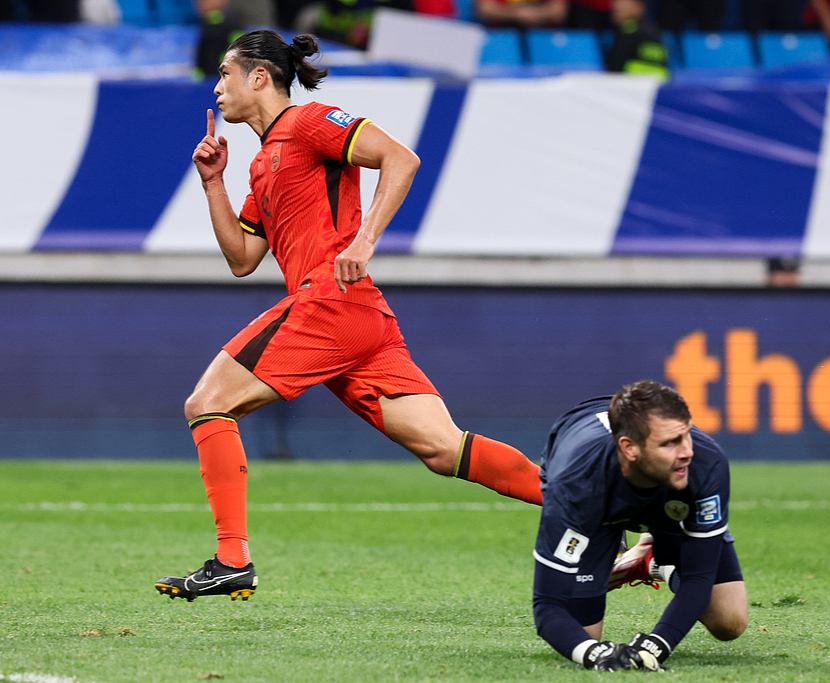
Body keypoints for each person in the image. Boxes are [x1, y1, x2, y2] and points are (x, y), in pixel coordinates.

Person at [155, 29, 543, 602]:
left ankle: (232, 559)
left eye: (224, 74)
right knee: (444, 449)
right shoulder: (262, 164)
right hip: (357, 316)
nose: (216, 88)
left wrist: (364, 241)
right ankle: (602, 507)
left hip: (330, 301)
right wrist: (213, 183)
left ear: (259, 76)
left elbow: (400, 158)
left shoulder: (310, 122)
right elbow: (242, 259)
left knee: (207, 403)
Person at [532, 380, 747, 671]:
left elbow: (699, 577)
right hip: (597, 504)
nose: (687, 451)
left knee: (729, 621)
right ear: (629, 448)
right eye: (670, 443)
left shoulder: (706, 463)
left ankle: (653, 562)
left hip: (663, 495)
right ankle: (623, 548)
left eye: (686, 435)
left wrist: (655, 647)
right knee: (583, 634)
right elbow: (547, 606)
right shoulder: (575, 483)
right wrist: (595, 654)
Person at [605, 0, 670, 79]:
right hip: (658, 83)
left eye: (622, 4)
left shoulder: (629, 32)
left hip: (633, 82)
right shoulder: (654, 32)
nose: (616, 7)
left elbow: (615, 67)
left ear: (639, 7)